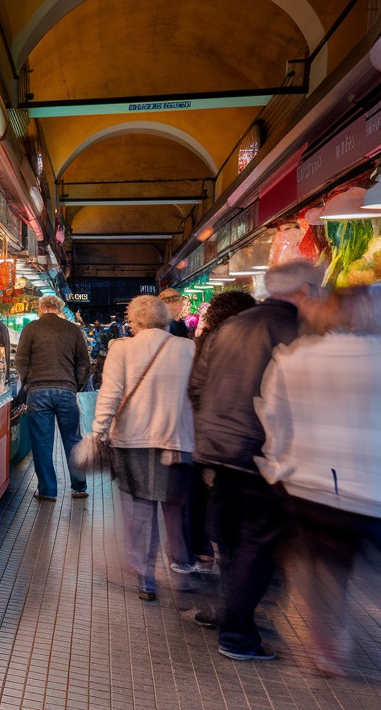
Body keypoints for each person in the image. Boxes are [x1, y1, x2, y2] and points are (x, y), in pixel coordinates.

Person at [188, 261, 328, 661]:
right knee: (260, 541)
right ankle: (238, 633)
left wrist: (215, 428)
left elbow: (196, 387)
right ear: (304, 290)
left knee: (231, 539)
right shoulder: (301, 330)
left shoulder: (228, 328)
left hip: (218, 449)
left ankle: (230, 612)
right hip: (266, 453)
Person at [255, 287, 378, 677]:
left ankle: (327, 649)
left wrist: (279, 465)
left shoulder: (293, 359)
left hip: (308, 484)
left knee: (321, 569)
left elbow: (271, 417)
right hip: (373, 490)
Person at [93, 296, 196, 601]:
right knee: (176, 503)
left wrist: (99, 430)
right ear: (166, 319)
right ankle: (182, 564)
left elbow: (109, 394)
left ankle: (146, 576)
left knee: (138, 509)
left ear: (133, 321)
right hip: (176, 440)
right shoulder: (188, 348)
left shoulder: (122, 349)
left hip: (133, 440)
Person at [184, 290, 257, 572]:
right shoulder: (258, 341)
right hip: (248, 437)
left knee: (204, 496)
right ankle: (233, 559)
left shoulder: (206, 341)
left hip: (210, 434)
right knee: (234, 504)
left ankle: (206, 551)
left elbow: (196, 388)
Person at [15, 294, 92, 501]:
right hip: (66, 392)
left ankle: (48, 490)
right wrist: (73, 385)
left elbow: (21, 360)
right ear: (58, 309)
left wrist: (29, 382)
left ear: (41, 309)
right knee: (73, 441)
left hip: (38, 392)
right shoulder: (73, 330)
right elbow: (85, 364)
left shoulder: (30, 328)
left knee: (42, 442)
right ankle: (79, 487)